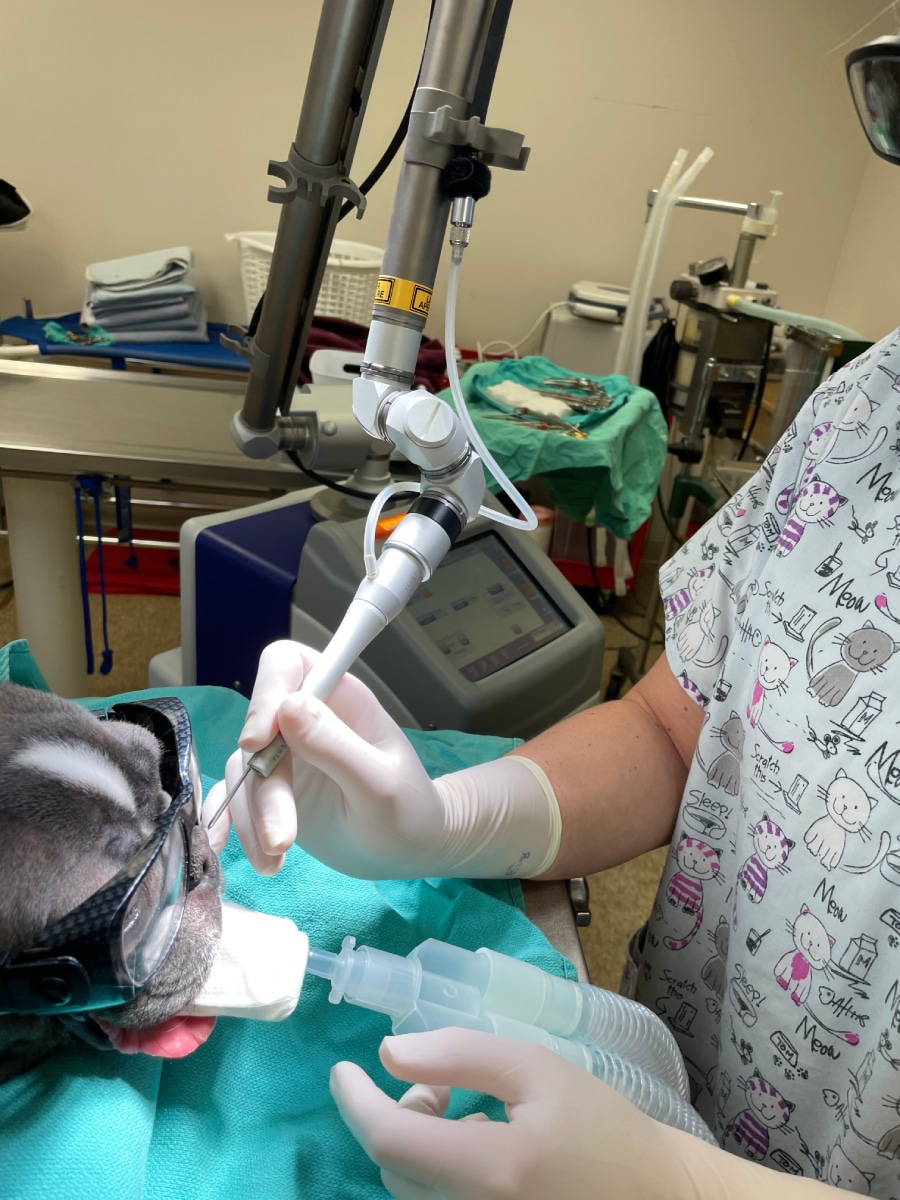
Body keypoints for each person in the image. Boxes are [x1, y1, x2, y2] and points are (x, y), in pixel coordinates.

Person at [202, 42, 900, 1199]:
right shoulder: (868, 412)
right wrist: (450, 821)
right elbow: (677, 733)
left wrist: (679, 1189)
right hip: (676, 1077)